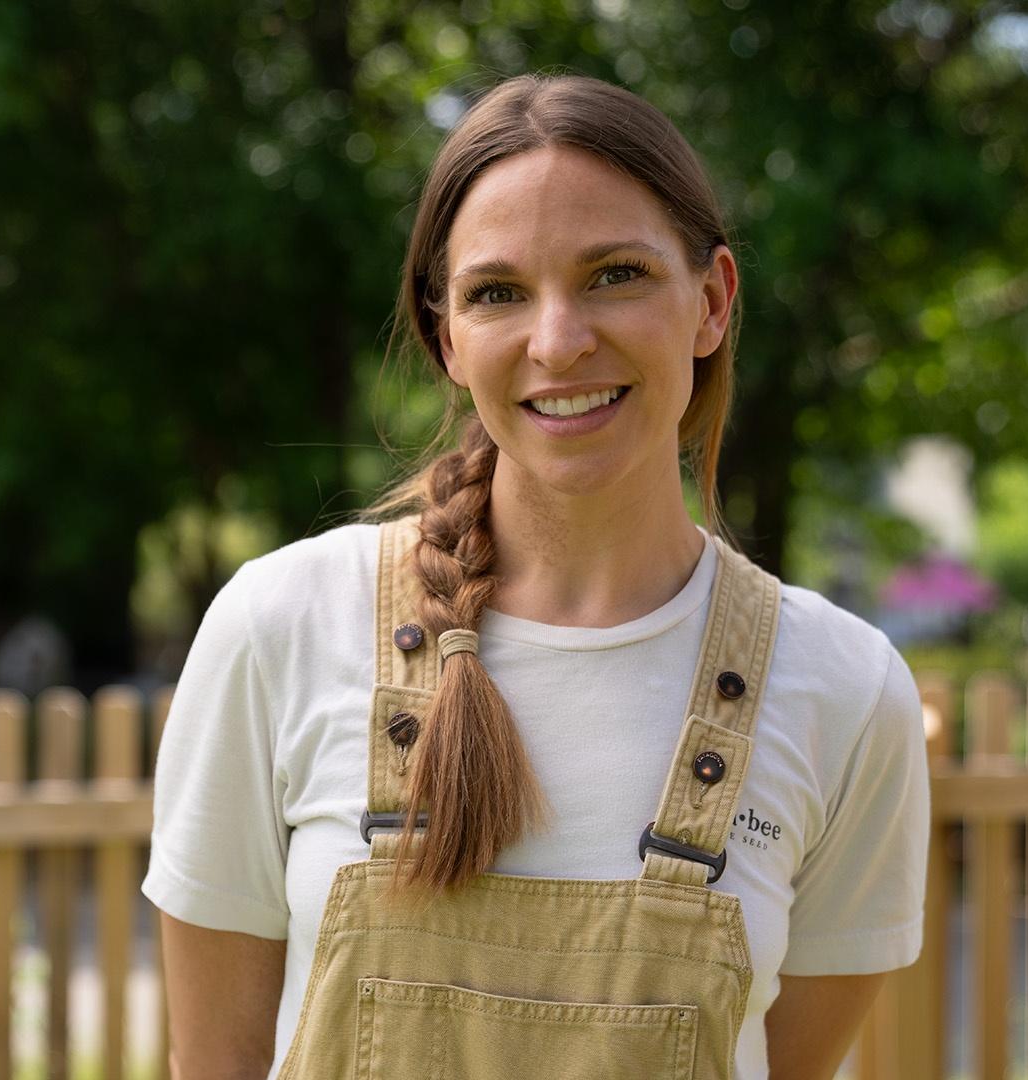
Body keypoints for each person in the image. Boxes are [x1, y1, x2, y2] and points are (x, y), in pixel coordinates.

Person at [143, 72, 930, 1080]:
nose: (559, 342)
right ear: (448, 339)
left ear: (712, 301)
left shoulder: (847, 691)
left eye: (615, 275)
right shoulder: (279, 626)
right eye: (499, 293)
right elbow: (215, 1062)